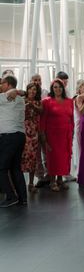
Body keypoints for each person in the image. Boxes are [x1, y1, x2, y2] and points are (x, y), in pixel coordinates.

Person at [40, 79, 74, 191]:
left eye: (60, 87)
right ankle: (52, 181)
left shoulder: (69, 101)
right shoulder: (46, 101)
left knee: (63, 158)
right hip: (52, 135)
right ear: (52, 89)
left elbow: (71, 118)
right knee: (53, 157)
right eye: (55, 87)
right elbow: (43, 120)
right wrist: (43, 137)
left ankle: (60, 180)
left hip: (66, 135)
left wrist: (72, 132)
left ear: (63, 88)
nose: (57, 89)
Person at [0, 75, 27, 207]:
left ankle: (10, 196)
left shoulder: (4, 98)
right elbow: (22, 92)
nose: (1, 85)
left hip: (8, 137)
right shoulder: (21, 98)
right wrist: (19, 91)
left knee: (1, 168)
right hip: (19, 137)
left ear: (9, 84)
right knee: (15, 168)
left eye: (2, 83)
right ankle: (23, 198)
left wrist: (15, 91)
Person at [20, 82, 42, 192]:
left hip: (34, 132)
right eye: (30, 89)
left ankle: (31, 183)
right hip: (23, 130)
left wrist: (33, 105)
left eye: (34, 90)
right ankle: (19, 184)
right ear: (27, 90)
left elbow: (41, 111)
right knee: (21, 157)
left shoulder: (38, 102)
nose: (32, 91)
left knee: (33, 157)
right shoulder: (22, 100)